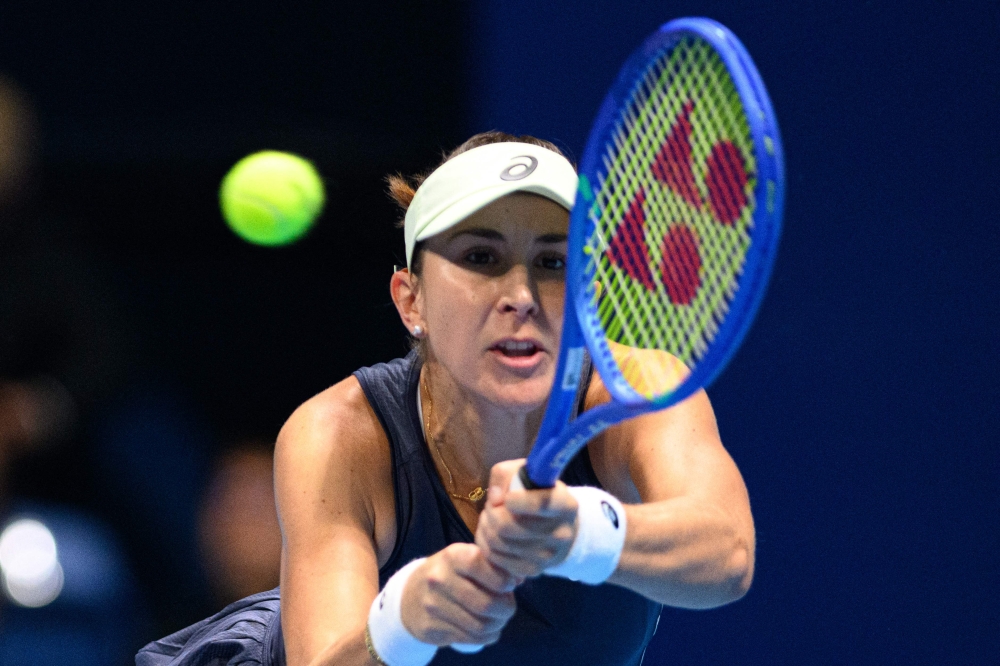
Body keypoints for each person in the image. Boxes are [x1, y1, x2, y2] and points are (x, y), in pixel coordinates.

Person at [136, 132, 755, 666]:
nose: (522, 294)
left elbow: (727, 554)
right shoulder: (341, 433)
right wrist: (401, 623)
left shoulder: (633, 395)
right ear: (412, 301)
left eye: (552, 261)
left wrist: (579, 529)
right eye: (481, 257)